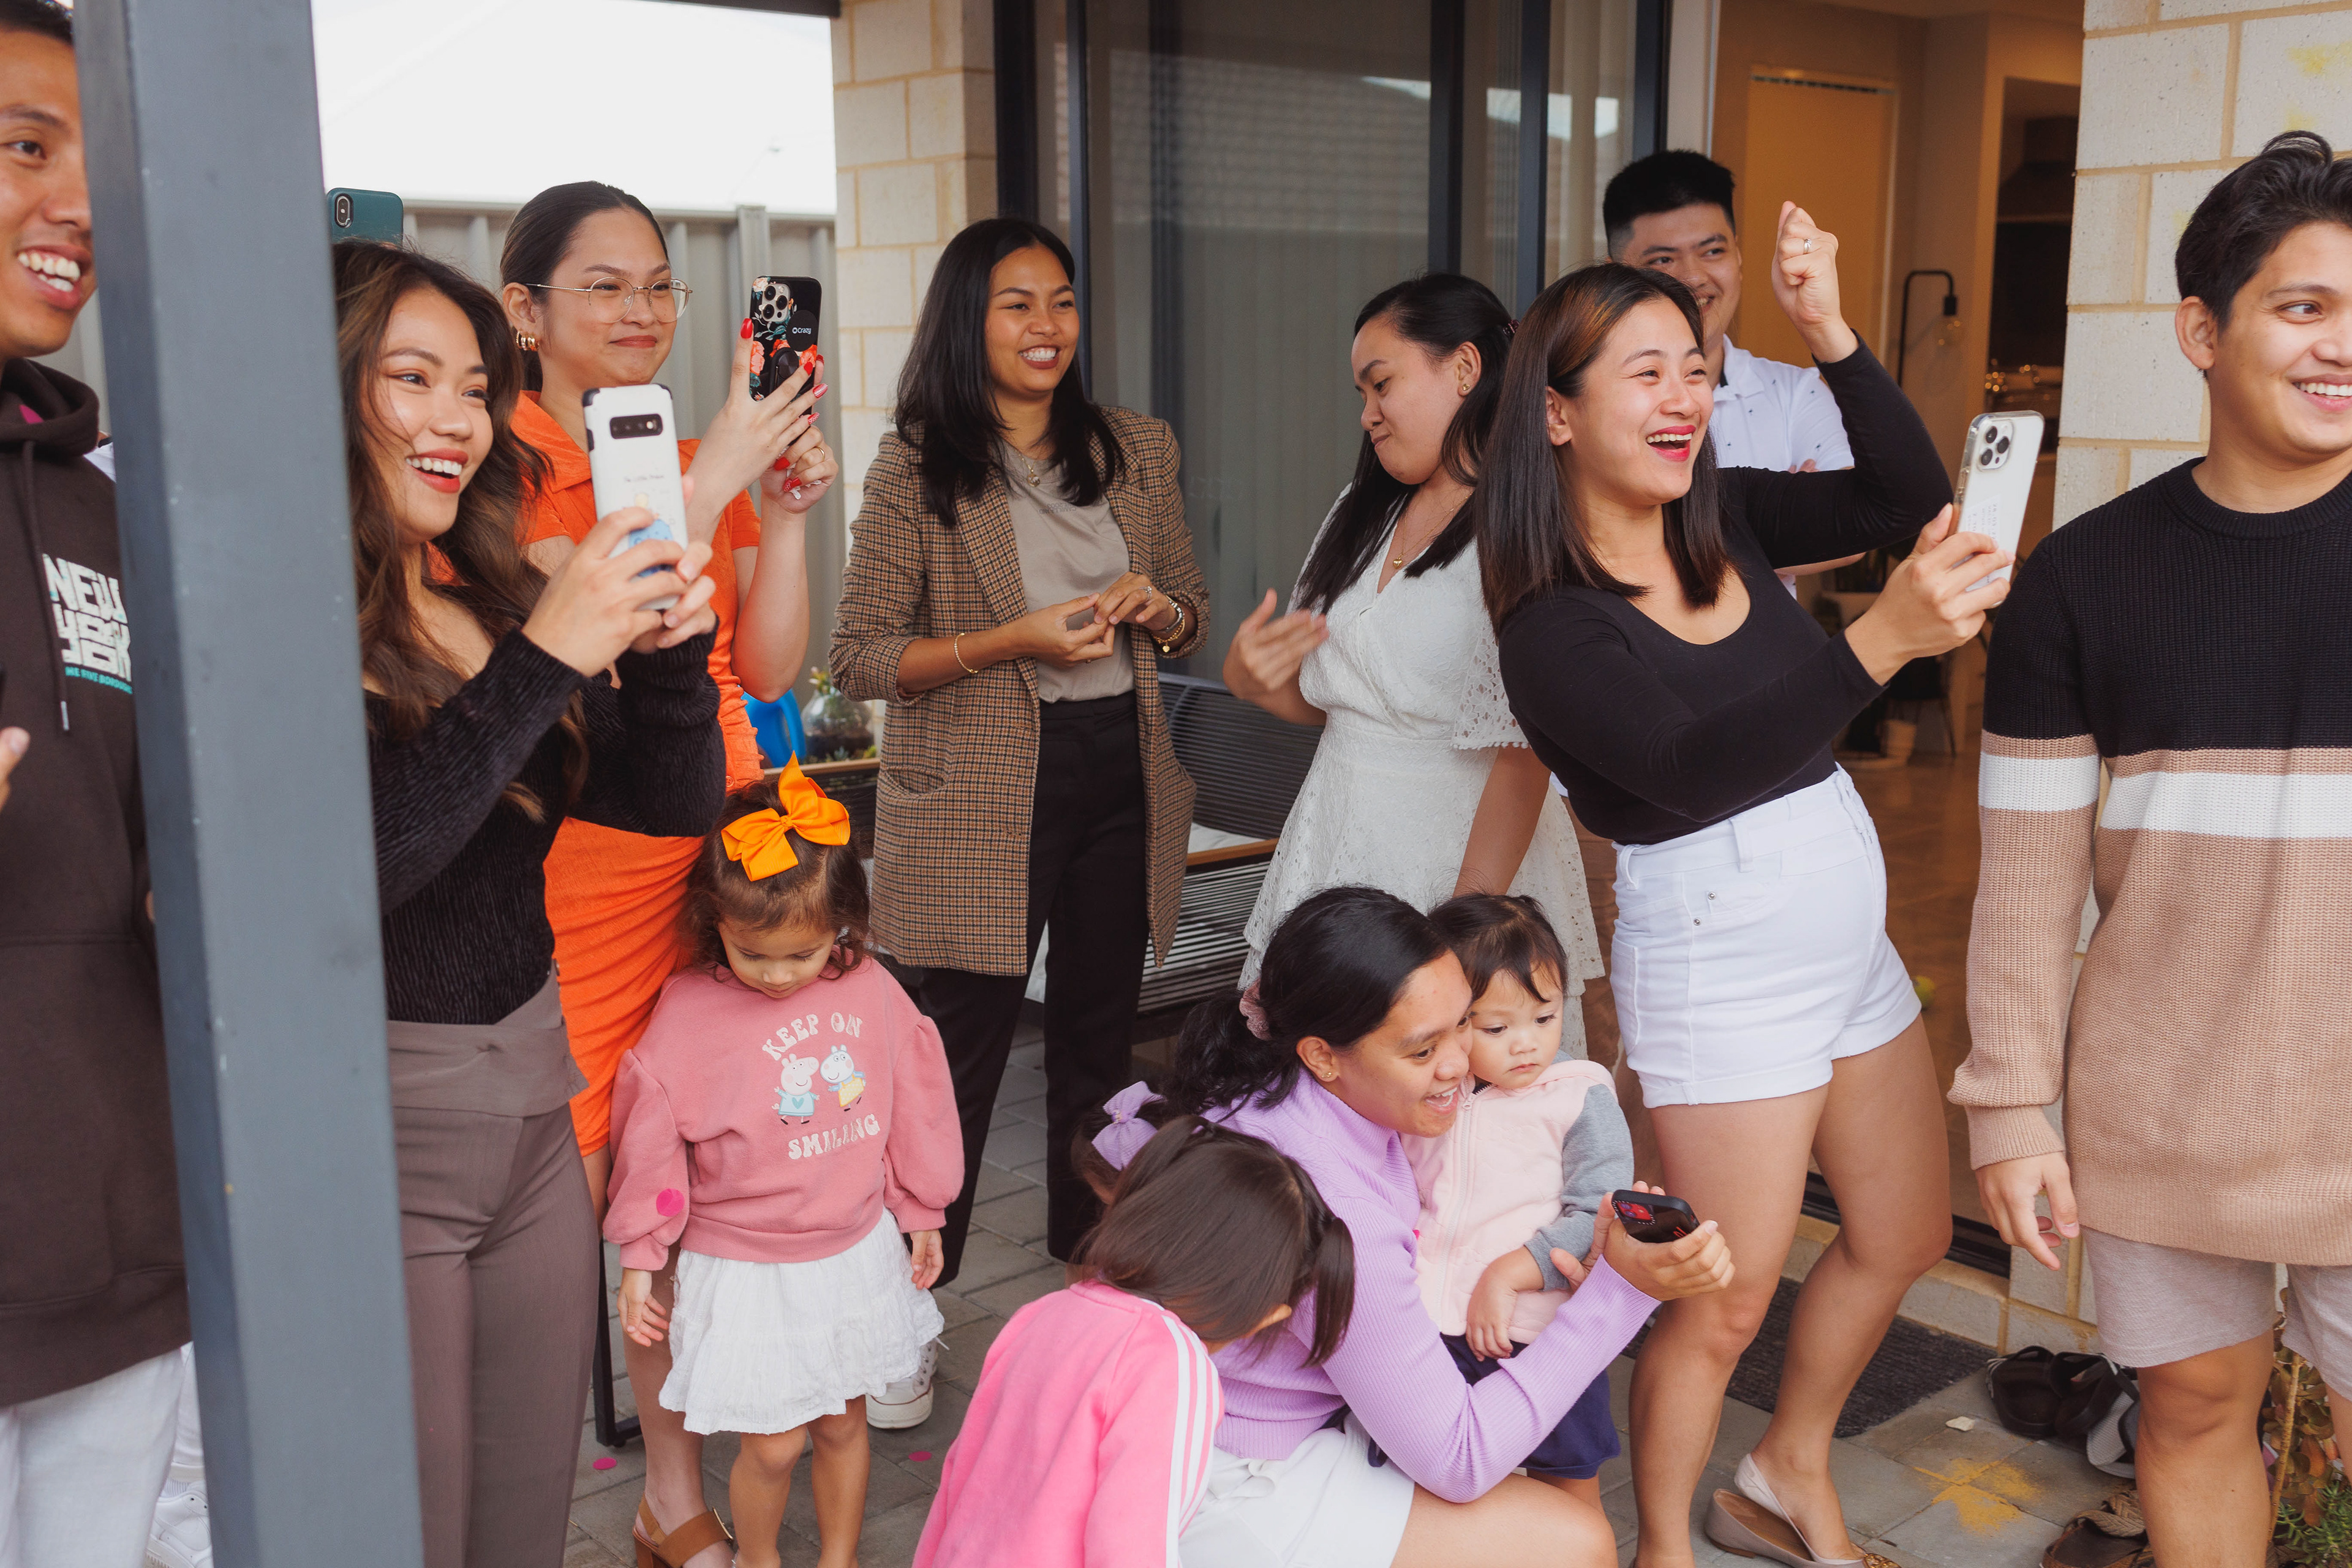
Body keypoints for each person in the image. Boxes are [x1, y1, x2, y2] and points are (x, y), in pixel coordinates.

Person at [1478, 211, 2002, 1568]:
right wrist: (1880, 641)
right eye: (1645, 372)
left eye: (1696, 369)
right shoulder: (1550, 622)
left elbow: (1904, 493)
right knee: (1721, 1298)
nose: (1683, 397)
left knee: (1904, 1230)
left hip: (1842, 938)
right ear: (1556, 413)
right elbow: (1688, 765)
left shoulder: (1728, 514)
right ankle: (1662, 1544)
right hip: (1720, 954)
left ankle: (1781, 1467)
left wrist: (1827, 327)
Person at [1958, 129, 2352, 1568]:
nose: (2340, 344)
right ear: (2202, 329)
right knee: (2190, 1408)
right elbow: (2025, 879)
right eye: (2303, 306)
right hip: (2162, 1094)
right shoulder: (2081, 577)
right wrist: (2010, 1106)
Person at [334, 238, 726, 1568]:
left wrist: (667, 655)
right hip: (384, 1133)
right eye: (412, 379)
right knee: (413, 1526)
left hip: (535, 1108)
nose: (456, 419)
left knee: (522, 1521)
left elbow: (665, 801)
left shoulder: (489, 602)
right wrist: (550, 653)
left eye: (474, 389)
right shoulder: (281, 628)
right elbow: (360, 868)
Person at [496, 182, 837, 1560]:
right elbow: (588, 629)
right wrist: (714, 480)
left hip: (727, 852)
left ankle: (674, 1493)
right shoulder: (499, 467)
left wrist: (784, 513)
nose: (642, 310)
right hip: (589, 876)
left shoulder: (705, 455)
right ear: (523, 312)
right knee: (596, 1202)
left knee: (713, 1184)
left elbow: (765, 669)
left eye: (658, 286)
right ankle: (631, 1491)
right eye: (604, 285)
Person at [1093, 885, 1734, 1568]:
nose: (1459, 1065)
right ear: (1322, 1054)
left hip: (1163, 1432)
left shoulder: (1264, 1093)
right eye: (1423, 1051)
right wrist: (1622, 1291)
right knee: (1575, 1543)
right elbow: (1460, 1458)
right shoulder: (1332, 1206)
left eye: (1463, 1024)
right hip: (1224, 1484)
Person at [829, 216, 1210, 1288]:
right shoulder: (919, 465)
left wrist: (1160, 611)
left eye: (1062, 301)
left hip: (1119, 768)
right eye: (1018, 304)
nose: (1048, 325)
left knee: (1099, 1038)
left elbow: (1190, 612)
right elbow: (858, 657)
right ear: (969, 319)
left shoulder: (1137, 447)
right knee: (961, 1051)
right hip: (977, 789)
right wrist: (1013, 640)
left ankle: (1092, 1260)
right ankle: (914, 1294)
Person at [0, 4, 191, 1562]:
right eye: (23, 146)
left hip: (116, 1240)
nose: (77, 201)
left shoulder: (92, 504)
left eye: (96, 160)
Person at [605, 766, 960, 1568]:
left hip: (849, 1253)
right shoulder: (689, 1011)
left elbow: (916, 1094)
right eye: (752, 954)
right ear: (716, 923)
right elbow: (653, 1136)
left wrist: (921, 1206)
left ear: (843, 925)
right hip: (747, 1269)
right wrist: (640, 1252)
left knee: (842, 1423)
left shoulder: (869, 987)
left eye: (802, 953)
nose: (776, 975)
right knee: (771, 1444)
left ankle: (839, 1559)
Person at [1222, 273, 1604, 1018]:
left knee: (1450, 1069)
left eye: (1382, 384)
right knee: (1320, 1066)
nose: (1368, 413)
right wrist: (1250, 678)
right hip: (1334, 837)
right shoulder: (1361, 510)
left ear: (1464, 368)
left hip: (1461, 860)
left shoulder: (1528, 522)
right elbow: (1341, 703)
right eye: (1361, 394)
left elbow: (1524, 755)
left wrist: (1465, 925)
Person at [912, 1117, 1352, 1568]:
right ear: (1266, 1315)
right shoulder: (1174, 1364)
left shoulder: (1045, 1311)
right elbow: (1132, 1539)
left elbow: (963, 1469)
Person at [1406, 893, 1634, 1509]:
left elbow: (1599, 1213)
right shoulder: (1431, 1091)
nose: (1526, 1044)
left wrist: (1510, 1274)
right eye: (1497, 1029)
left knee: (1568, 1481)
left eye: (1545, 1016)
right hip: (1432, 1324)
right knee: (1452, 1483)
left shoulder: (1578, 1095)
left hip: (1537, 1334)